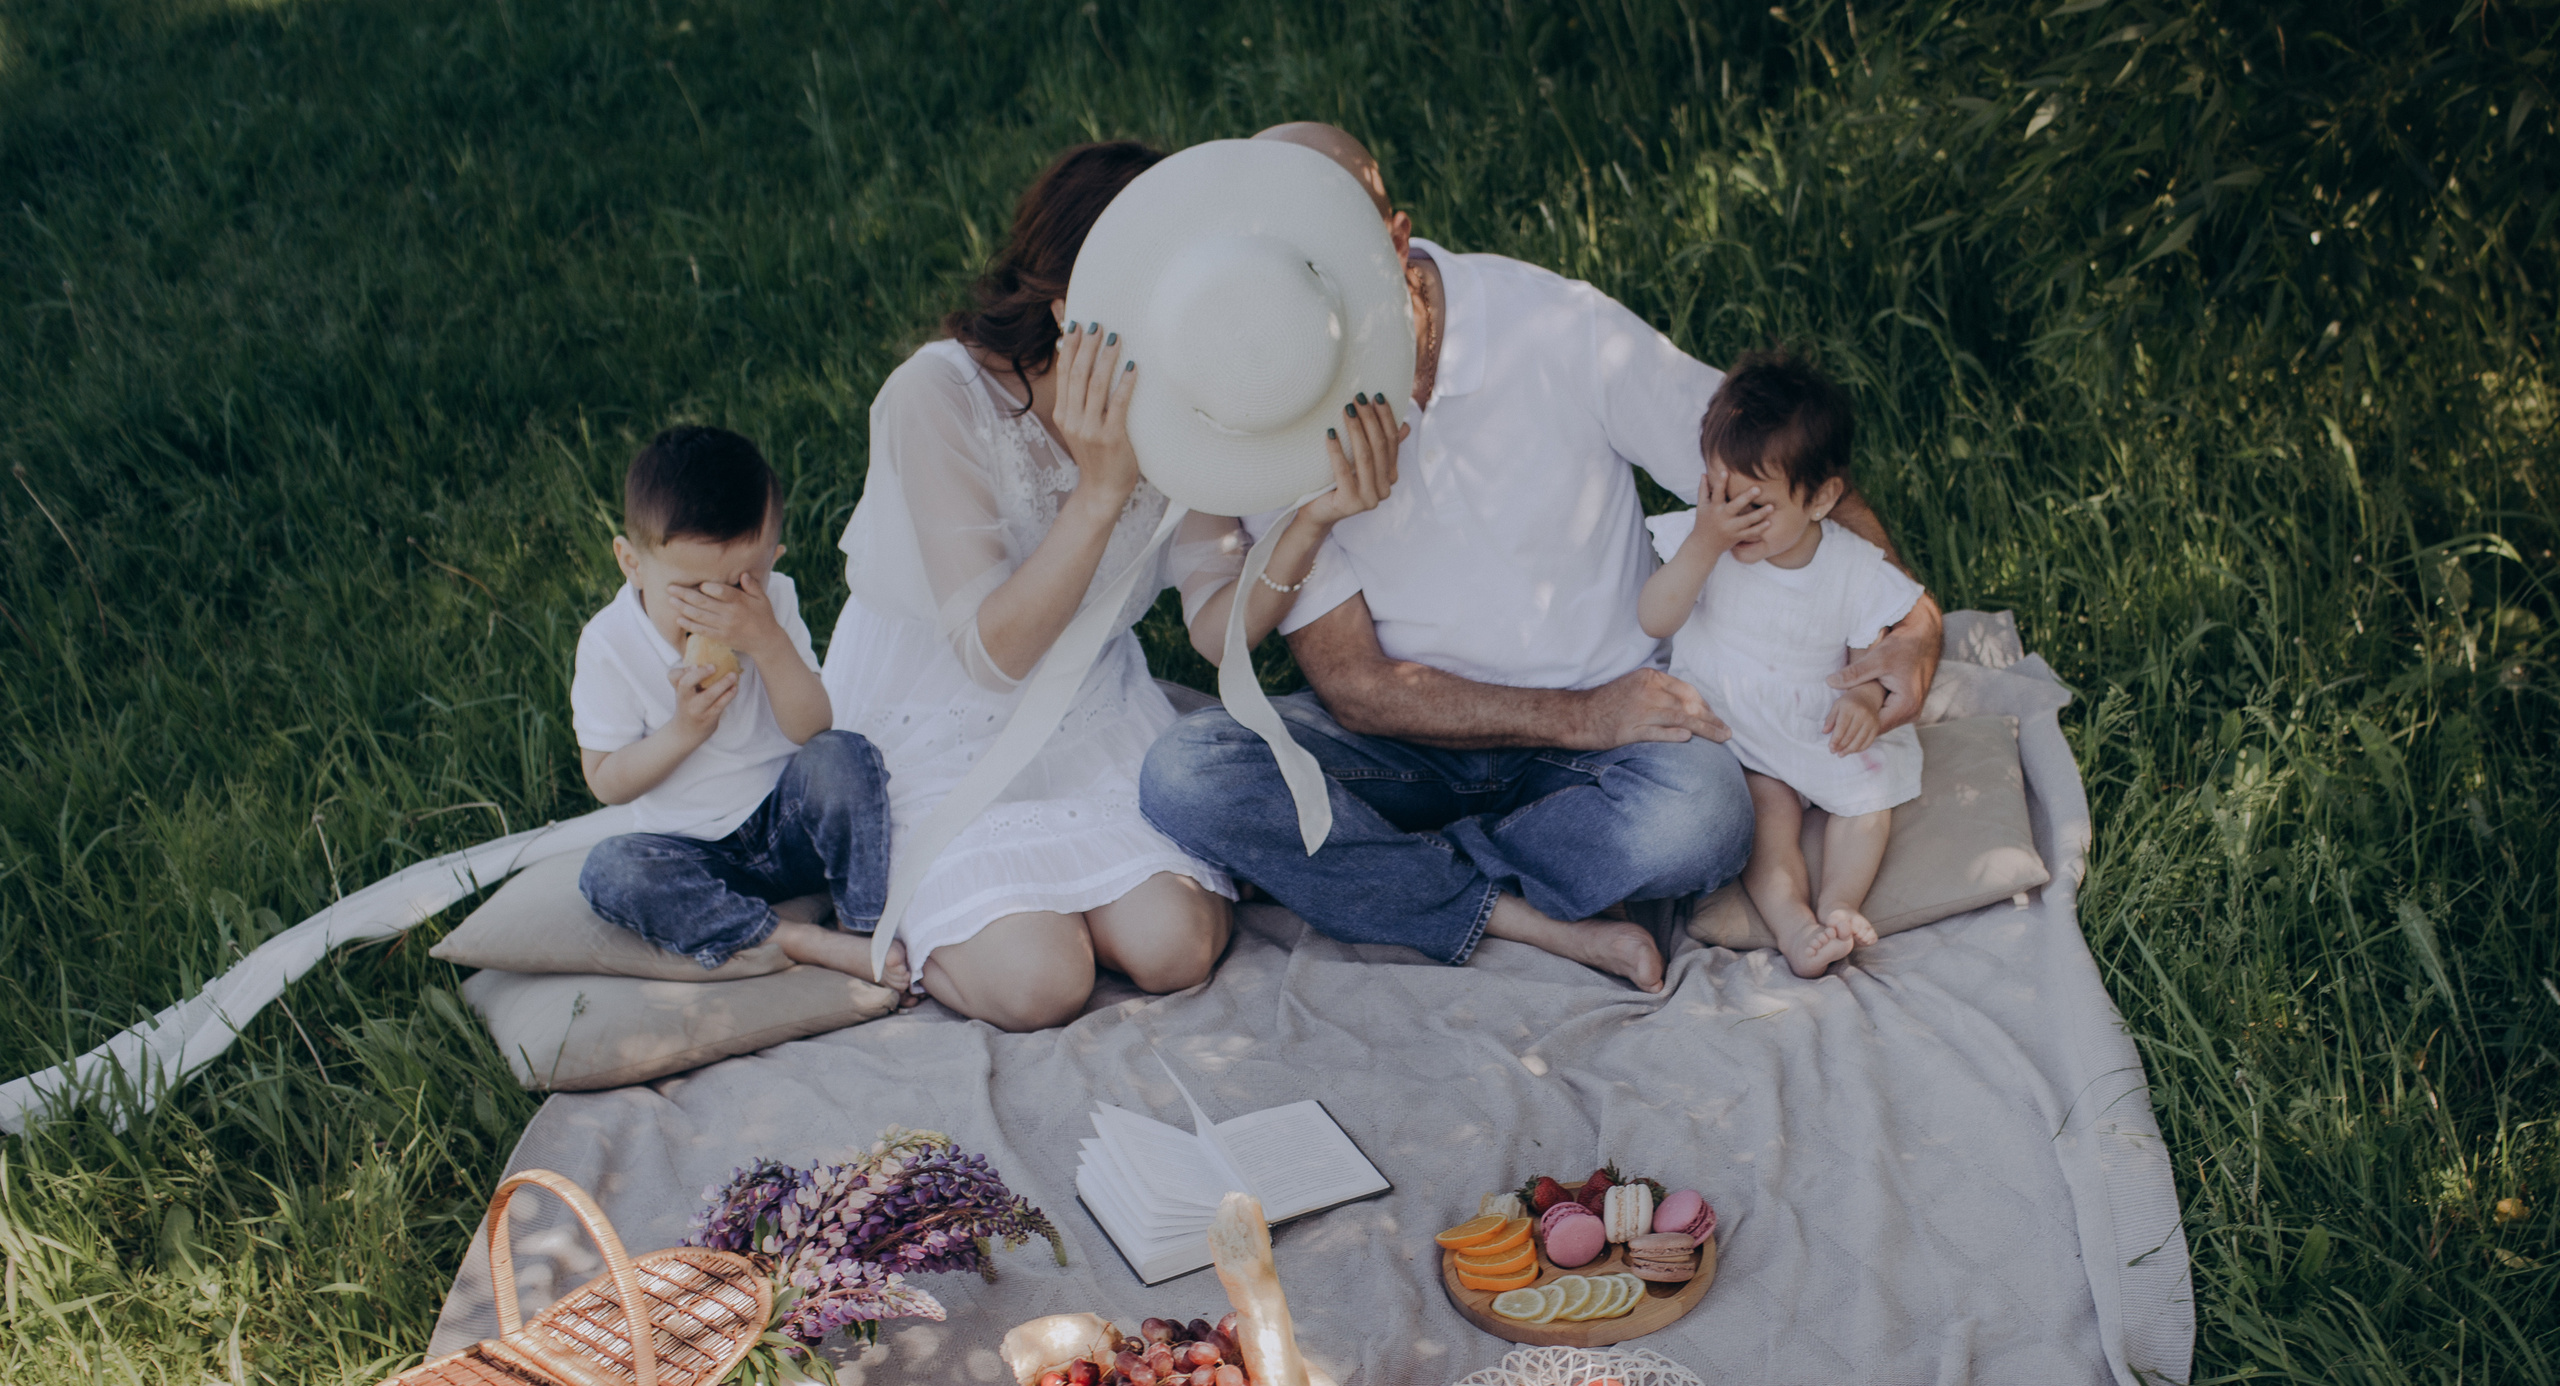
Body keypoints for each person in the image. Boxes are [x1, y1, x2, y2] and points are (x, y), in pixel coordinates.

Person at [1141, 124, 1944, 993]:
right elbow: (1355, 686)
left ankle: (1387, 876)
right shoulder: (1278, 398)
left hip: (1613, 745)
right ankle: (1518, 914)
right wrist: (1572, 714)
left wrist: (1912, 630)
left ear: (1396, 245)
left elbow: (1782, 474)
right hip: (1410, 745)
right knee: (1188, 774)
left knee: (1705, 817)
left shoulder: (1559, 330)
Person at [824, 142, 1406, 1031]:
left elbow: (1216, 626)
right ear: (1069, 312)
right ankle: (906, 917)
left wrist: (1311, 520)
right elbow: (991, 654)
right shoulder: (935, 397)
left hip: (1092, 709)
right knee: (1039, 983)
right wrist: (1099, 493)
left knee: (1175, 948)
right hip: (940, 720)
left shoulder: (1181, 395)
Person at [574, 425, 906, 986]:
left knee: (844, 756)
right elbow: (606, 781)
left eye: (739, 581)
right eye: (689, 587)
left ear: (772, 558)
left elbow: (812, 729)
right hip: (692, 850)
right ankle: (793, 938)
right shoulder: (610, 644)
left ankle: (863, 928)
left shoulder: (772, 602)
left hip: (784, 822)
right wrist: (683, 732)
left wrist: (769, 641)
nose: (717, 602)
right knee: (611, 872)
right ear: (631, 562)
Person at [1639, 353, 1924, 977]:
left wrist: (1865, 700)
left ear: (1820, 498)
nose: (1732, 517)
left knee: (1867, 801)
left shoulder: (1851, 567)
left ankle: (1841, 904)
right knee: (1765, 819)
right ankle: (1794, 921)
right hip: (1739, 727)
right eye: (1720, 493)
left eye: (1756, 504)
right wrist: (1702, 543)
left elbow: (1870, 655)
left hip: (1818, 721)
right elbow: (1655, 619)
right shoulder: (1704, 539)